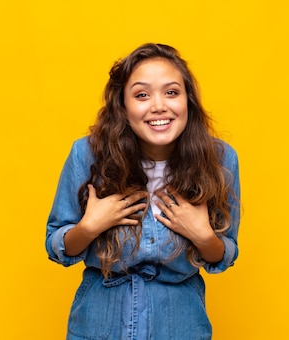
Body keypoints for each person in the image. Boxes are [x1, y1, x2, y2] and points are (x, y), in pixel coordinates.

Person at [45, 43, 241, 340]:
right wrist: (88, 227)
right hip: (100, 323)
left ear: (188, 100)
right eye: (142, 95)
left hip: (181, 325)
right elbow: (56, 245)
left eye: (171, 92)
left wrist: (204, 237)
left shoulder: (220, 160)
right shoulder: (87, 154)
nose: (159, 105)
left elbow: (225, 254)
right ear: (123, 106)